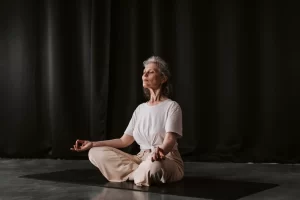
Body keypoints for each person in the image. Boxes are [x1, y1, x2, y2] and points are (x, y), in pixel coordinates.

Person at [71, 56, 184, 186]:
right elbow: (124, 141)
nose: (144, 75)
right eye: (143, 72)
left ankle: (135, 174)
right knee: (95, 152)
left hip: (165, 158)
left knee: (155, 167)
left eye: (151, 72)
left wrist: (161, 151)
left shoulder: (172, 106)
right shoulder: (140, 109)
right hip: (140, 159)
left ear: (163, 79)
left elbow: (170, 140)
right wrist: (93, 144)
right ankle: (140, 174)